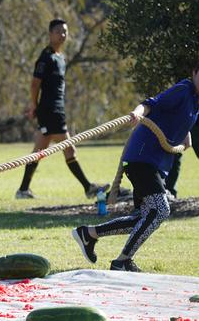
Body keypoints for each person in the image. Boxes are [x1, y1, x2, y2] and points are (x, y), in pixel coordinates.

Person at [72, 63, 199, 272]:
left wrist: (186, 138)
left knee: (143, 216)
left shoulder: (195, 101)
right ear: (194, 72)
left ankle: (89, 234)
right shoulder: (183, 89)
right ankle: (122, 261)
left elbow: (181, 120)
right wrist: (136, 113)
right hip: (142, 156)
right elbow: (152, 104)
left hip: (157, 163)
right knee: (160, 209)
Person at [16, 19, 108, 199]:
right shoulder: (46, 58)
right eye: (58, 31)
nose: (62, 35)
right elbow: (35, 85)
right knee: (69, 149)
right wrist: (35, 106)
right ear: (50, 34)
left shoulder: (61, 58)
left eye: (65, 31)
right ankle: (88, 188)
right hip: (50, 111)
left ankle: (23, 190)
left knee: (39, 151)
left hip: (56, 110)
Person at [164, 119, 199, 199]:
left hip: (194, 120)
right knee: (173, 153)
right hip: (178, 119)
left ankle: (169, 191)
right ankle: (168, 192)